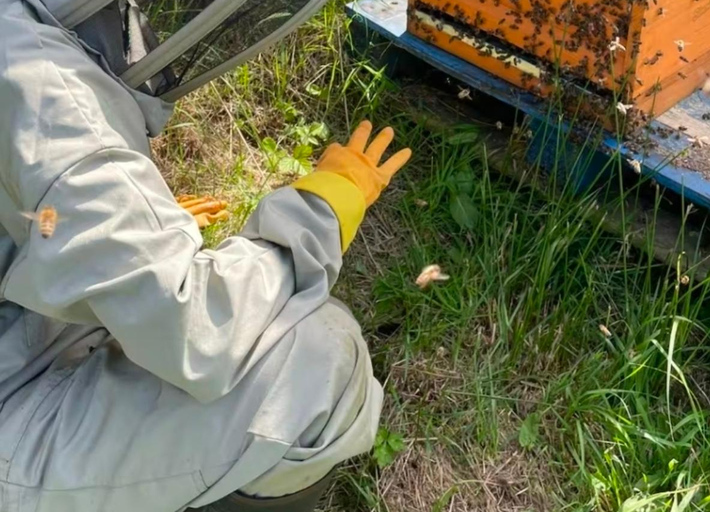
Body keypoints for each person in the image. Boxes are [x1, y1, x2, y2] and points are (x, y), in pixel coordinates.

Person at [0, 0, 412, 510]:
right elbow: (196, 327)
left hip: (21, 337)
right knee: (321, 358)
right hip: (13, 404)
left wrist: (122, 222)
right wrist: (321, 212)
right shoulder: (39, 84)